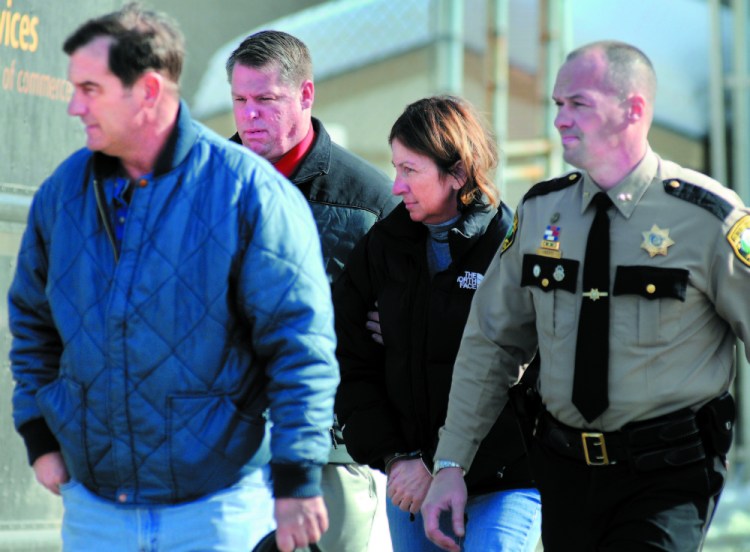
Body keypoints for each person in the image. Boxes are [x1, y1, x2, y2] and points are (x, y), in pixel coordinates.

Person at [7, 4, 338, 552]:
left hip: (217, 511)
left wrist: (297, 479)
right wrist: (38, 434)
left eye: (92, 88)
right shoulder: (60, 195)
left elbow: (300, 347)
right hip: (95, 510)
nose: (73, 105)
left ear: (148, 92)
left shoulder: (249, 194)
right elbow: (32, 323)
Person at [422, 40, 750, 552]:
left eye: (578, 104)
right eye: (557, 105)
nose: (560, 119)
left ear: (634, 109)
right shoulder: (541, 211)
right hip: (563, 472)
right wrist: (450, 464)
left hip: (667, 475)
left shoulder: (708, 217)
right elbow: (491, 341)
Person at [334, 96, 542, 551]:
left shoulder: (510, 246)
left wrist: (450, 465)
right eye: (395, 168)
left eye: (410, 170)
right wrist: (398, 458)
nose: (395, 186)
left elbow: (532, 370)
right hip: (410, 479)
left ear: (457, 174)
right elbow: (350, 358)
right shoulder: (381, 249)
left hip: (501, 479)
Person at [225, 30, 397, 552]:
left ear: (305, 95)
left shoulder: (370, 201)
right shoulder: (204, 184)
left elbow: (412, 317)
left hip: (331, 456)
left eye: (266, 100)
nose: (250, 114)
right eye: (240, 100)